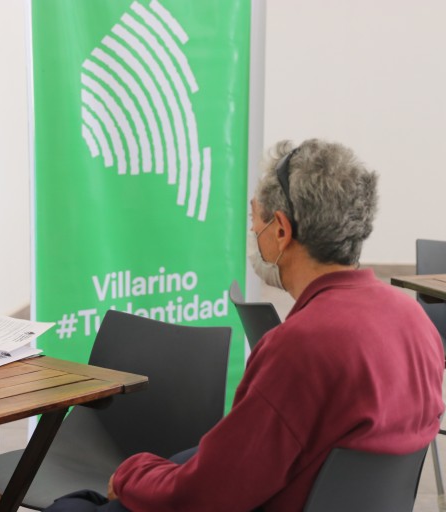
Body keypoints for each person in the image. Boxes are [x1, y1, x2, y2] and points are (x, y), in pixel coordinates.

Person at [45, 139, 445, 512]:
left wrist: (130, 475)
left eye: (255, 217)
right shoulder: (416, 321)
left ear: (282, 230)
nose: (253, 230)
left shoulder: (300, 346)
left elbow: (207, 495)